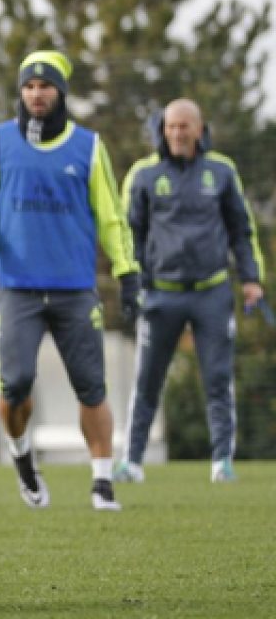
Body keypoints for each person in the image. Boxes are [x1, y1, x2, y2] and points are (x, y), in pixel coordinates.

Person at [0, 50, 140, 512]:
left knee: (91, 386)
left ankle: (102, 482)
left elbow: (112, 216)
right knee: (14, 384)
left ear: (61, 92)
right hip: (16, 287)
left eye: (45, 86)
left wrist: (127, 273)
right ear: (20, 92)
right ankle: (23, 458)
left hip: (75, 288)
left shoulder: (88, 147)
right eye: (29, 86)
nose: (36, 94)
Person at [115, 98, 266, 484]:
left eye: (184, 126)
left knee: (218, 379)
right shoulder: (144, 175)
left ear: (199, 129)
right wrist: (133, 283)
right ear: (162, 130)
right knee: (147, 381)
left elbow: (241, 230)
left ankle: (222, 462)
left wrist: (251, 279)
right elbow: (129, 234)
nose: (177, 133)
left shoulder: (222, 171)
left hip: (212, 293)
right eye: (171, 126)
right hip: (160, 295)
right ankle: (131, 461)